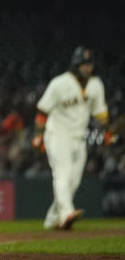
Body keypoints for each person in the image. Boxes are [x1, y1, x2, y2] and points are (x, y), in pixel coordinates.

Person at [33, 47, 112, 230]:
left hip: (79, 138)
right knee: (62, 174)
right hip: (57, 134)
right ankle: (66, 213)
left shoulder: (95, 84)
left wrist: (107, 131)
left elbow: (101, 114)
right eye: (84, 64)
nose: (87, 68)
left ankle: (53, 218)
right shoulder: (59, 83)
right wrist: (38, 135)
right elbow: (42, 111)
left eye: (89, 64)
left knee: (74, 181)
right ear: (75, 65)